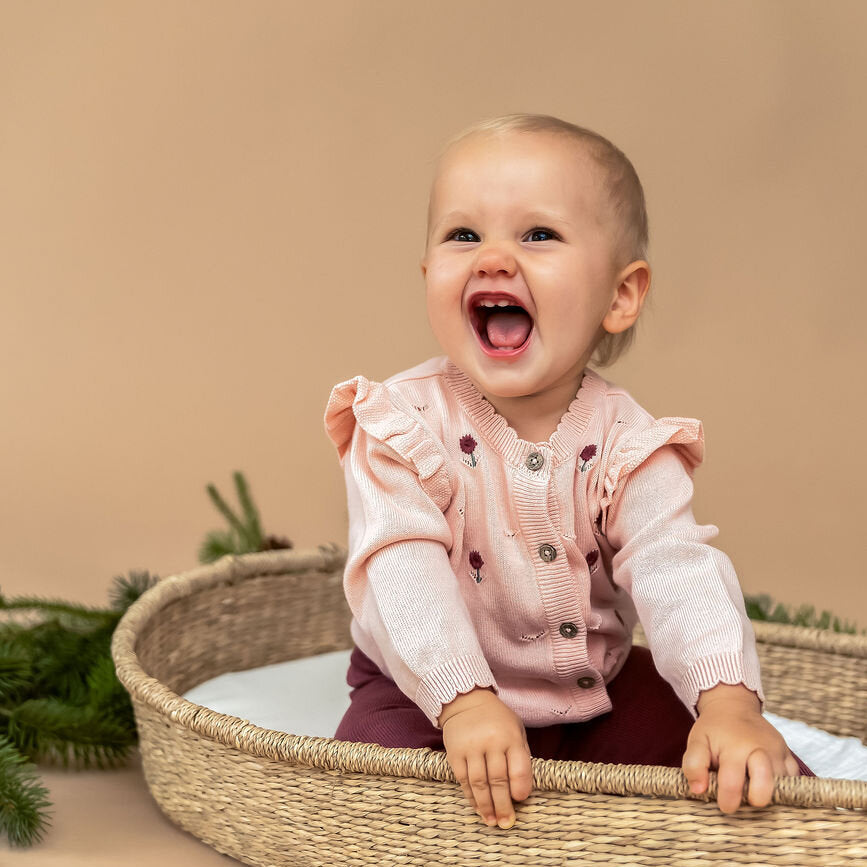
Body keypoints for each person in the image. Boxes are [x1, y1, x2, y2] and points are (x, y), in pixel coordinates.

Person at [323, 113, 813, 831]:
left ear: (620, 296)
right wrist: (463, 702)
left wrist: (728, 703)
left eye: (537, 234)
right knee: (369, 794)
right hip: (421, 689)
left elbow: (675, 565)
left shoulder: (625, 443)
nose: (492, 258)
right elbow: (401, 573)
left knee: (741, 765)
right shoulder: (401, 424)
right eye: (463, 235)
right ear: (429, 277)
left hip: (590, 690)